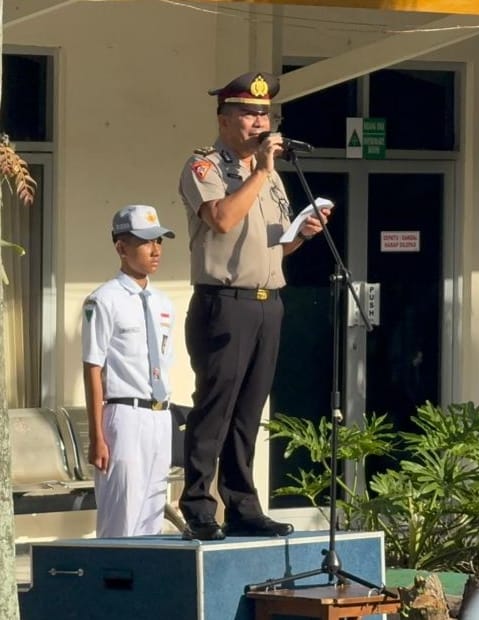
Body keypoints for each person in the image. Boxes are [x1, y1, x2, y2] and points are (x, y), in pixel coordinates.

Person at [177, 71, 329, 541]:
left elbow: (272, 248)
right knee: (215, 406)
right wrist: (261, 171)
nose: (259, 122)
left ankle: (243, 505)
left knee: (249, 411)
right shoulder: (205, 167)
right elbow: (221, 220)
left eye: (264, 114)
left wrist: (301, 235)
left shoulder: (272, 178)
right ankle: (200, 506)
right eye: (248, 113)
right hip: (224, 302)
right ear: (224, 120)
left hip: (268, 302)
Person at [81, 204, 176, 537]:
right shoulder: (104, 300)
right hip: (124, 414)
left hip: (159, 416)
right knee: (121, 516)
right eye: (146, 242)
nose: (155, 250)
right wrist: (97, 437)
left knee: (152, 514)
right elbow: (93, 367)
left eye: (159, 241)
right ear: (122, 248)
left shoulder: (164, 303)